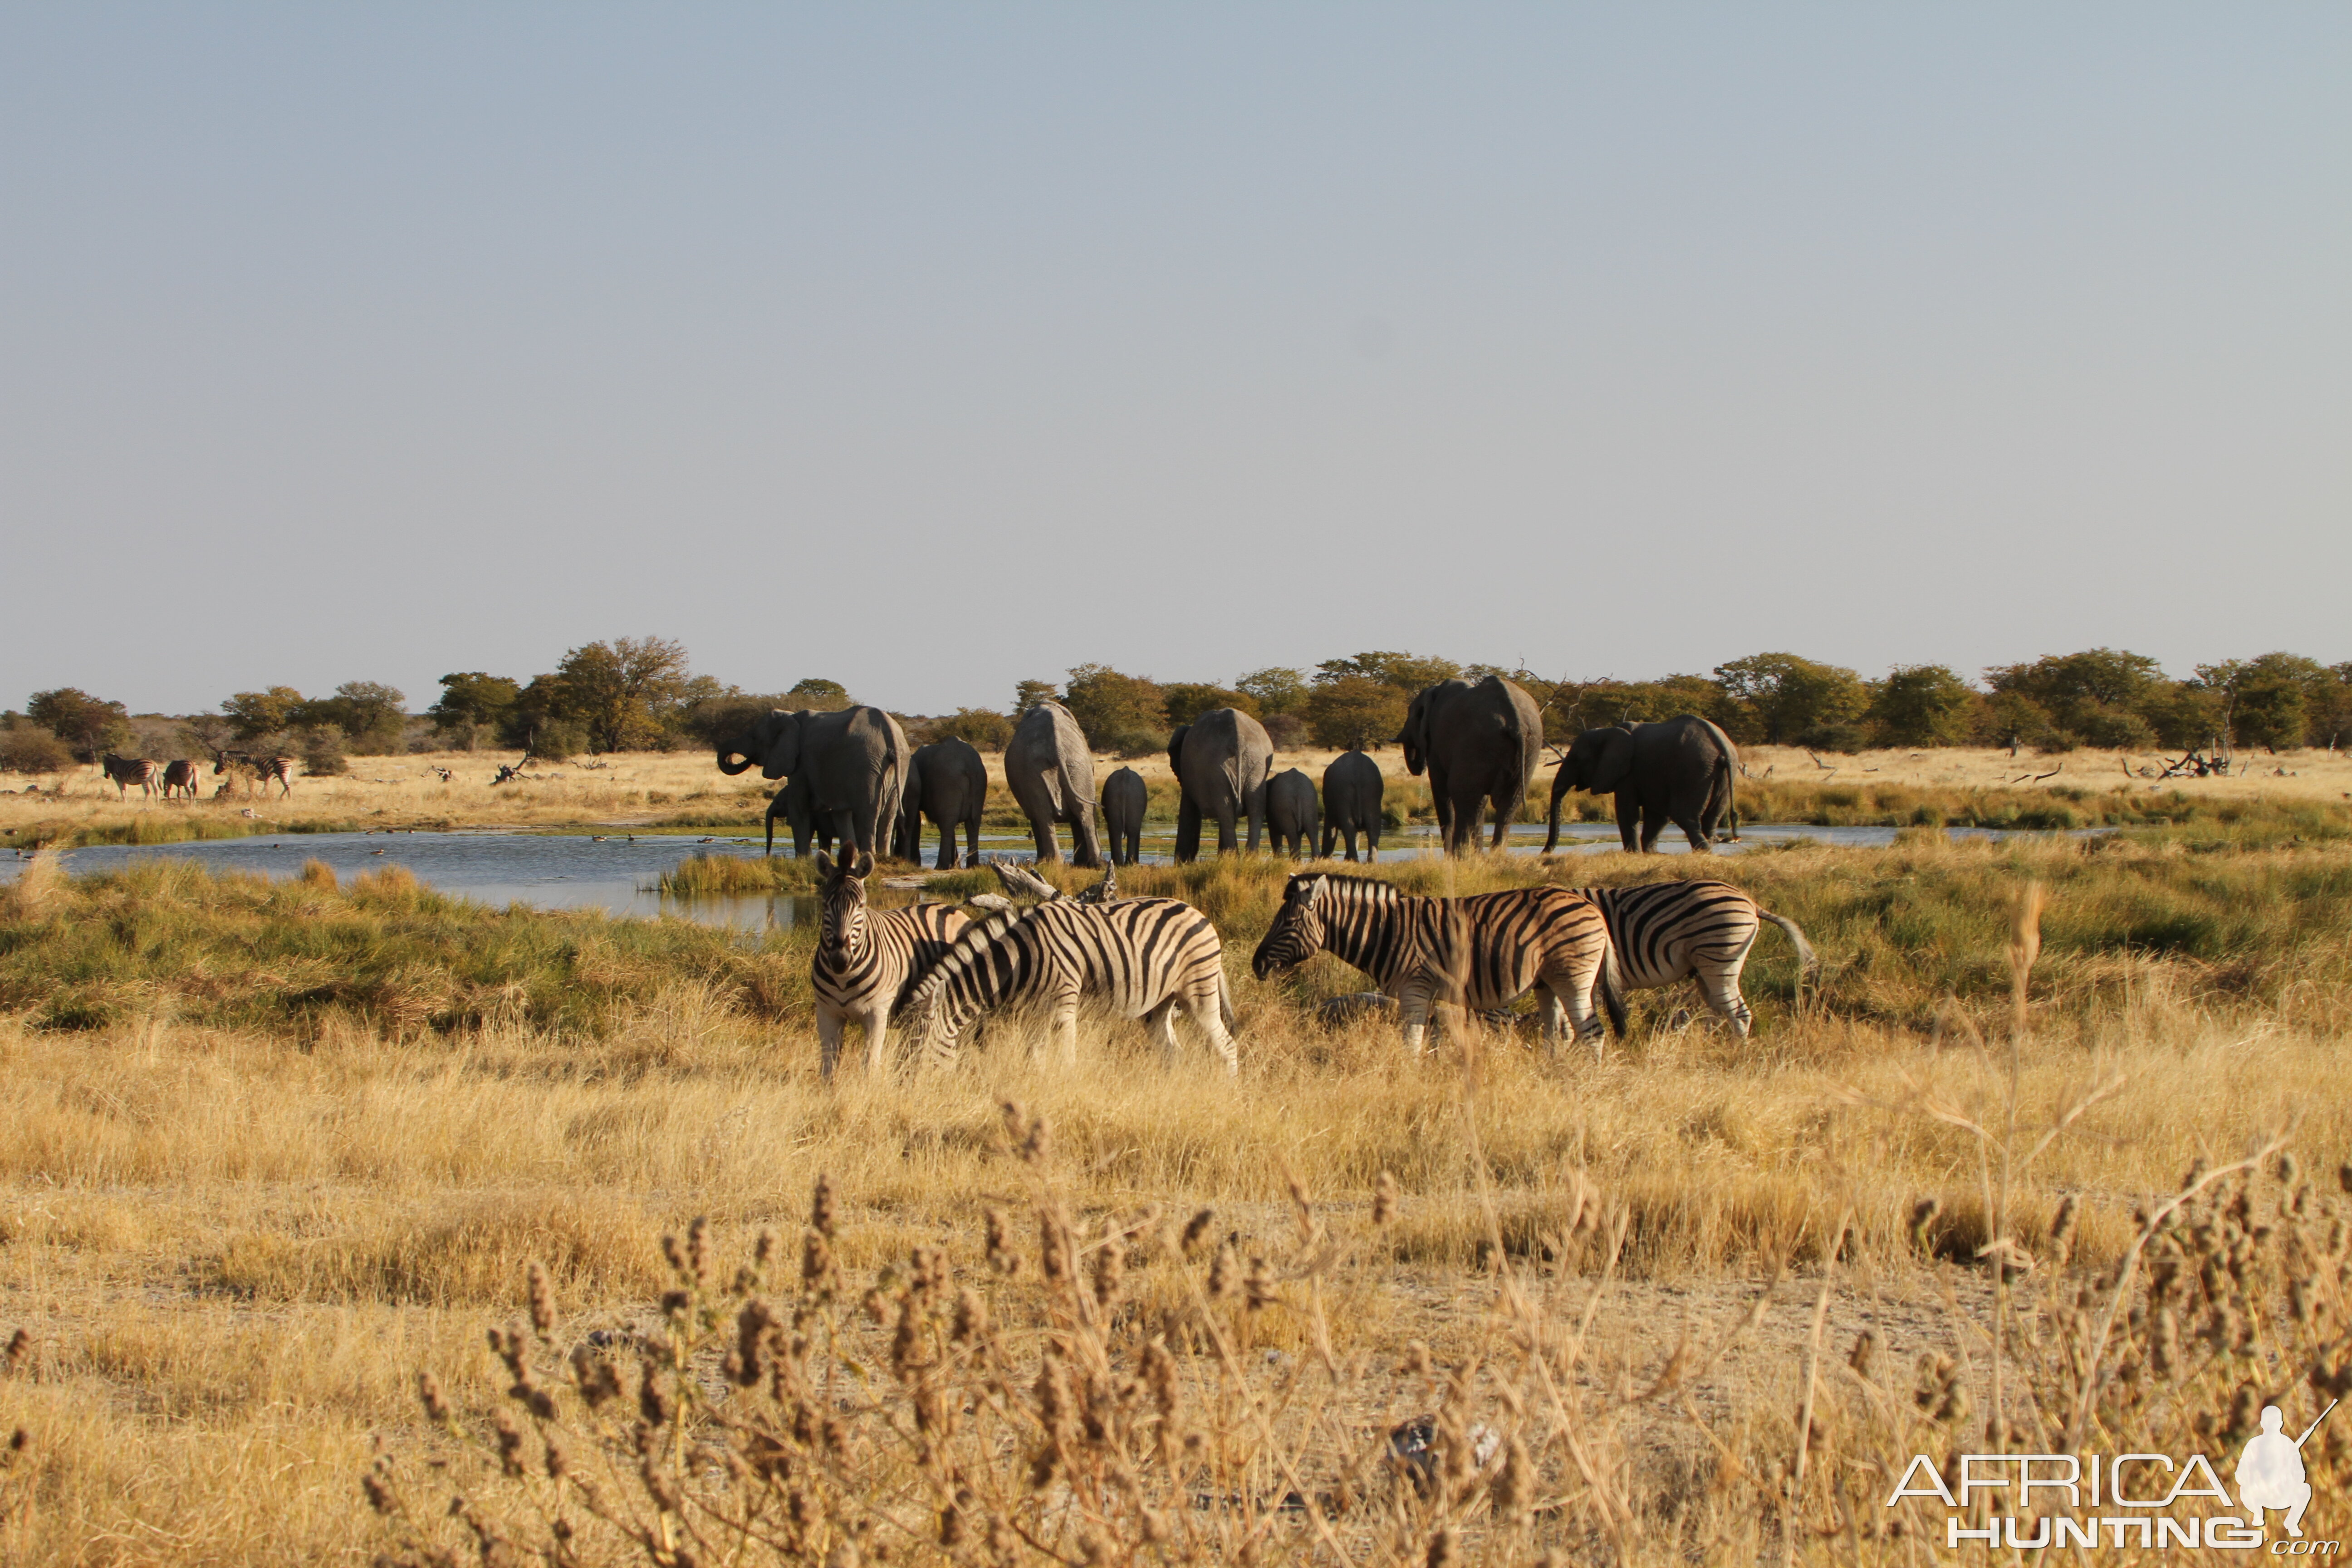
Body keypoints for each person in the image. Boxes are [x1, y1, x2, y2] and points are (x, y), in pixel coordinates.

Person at [2238, 1405, 2313, 1538]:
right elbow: (2241, 1475)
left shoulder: (2288, 1445)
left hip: (2283, 1493)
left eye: (2274, 1421)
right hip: (2260, 1495)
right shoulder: (2254, 1444)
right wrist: (2255, 1477)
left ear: (2281, 1424)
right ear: (2262, 1424)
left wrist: (2286, 1474)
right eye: (2269, 1422)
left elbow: (2300, 1475)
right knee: (2245, 1490)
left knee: (2305, 1489)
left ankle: (2292, 1522)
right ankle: (2258, 1517)